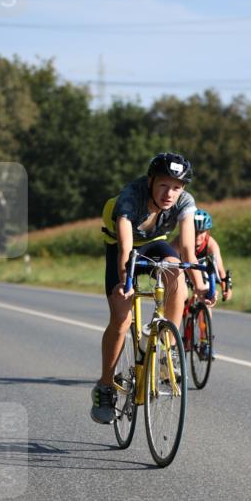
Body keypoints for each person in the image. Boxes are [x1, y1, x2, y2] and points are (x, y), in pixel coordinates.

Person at [91, 152, 214, 424]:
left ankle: (167, 348)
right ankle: (105, 386)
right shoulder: (130, 198)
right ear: (150, 181)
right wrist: (126, 282)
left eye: (177, 187)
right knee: (122, 319)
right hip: (121, 247)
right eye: (163, 185)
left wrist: (202, 287)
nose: (170, 193)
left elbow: (189, 254)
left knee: (176, 273)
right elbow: (125, 249)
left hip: (155, 243)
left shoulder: (185, 203)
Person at [188, 208, 232, 301]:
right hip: (185, 268)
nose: (198, 236)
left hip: (202, 268)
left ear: (207, 231)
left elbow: (219, 269)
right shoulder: (182, 240)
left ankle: (205, 311)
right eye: (195, 232)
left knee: (208, 293)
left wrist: (226, 288)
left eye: (201, 232)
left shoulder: (211, 244)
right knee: (182, 294)